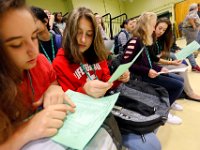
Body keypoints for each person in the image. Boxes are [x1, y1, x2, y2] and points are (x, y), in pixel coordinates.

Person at [53, 7, 161, 150]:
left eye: (89, 34)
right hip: (87, 118)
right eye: (78, 33)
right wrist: (84, 91)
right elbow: (68, 104)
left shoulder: (97, 54)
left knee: (153, 143)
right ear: (68, 32)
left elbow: (107, 81)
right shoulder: (59, 63)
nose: (83, 39)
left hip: (109, 105)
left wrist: (119, 78)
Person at [0, 0, 76, 149]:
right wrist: (25, 130)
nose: (33, 51)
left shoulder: (40, 61)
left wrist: (53, 88)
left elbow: (53, 81)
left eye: (34, 36)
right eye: (16, 44)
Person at [122, 12, 184, 125]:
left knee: (180, 80)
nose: (154, 30)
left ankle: (167, 104)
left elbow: (150, 62)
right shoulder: (134, 41)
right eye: (153, 26)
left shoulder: (143, 41)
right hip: (140, 77)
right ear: (145, 26)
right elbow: (126, 64)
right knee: (178, 86)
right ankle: (163, 112)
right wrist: (147, 71)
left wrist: (160, 69)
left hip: (148, 73)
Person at [154, 17, 200, 101]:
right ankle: (189, 92)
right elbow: (155, 56)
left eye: (164, 30)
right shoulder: (152, 38)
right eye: (160, 28)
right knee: (181, 64)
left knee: (187, 55)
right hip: (161, 57)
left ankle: (194, 66)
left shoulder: (167, 36)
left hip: (164, 54)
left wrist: (176, 49)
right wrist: (168, 59)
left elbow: (172, 46)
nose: (161, 31)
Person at [182, 3, 200, 72]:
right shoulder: (194, 12)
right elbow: (191, 18)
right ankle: (194, 65)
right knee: (190, 48)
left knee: (190, 47)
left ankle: (193, 64)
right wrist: (194, 26)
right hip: (191, 30)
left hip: (191, 30)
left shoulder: (192, 12)